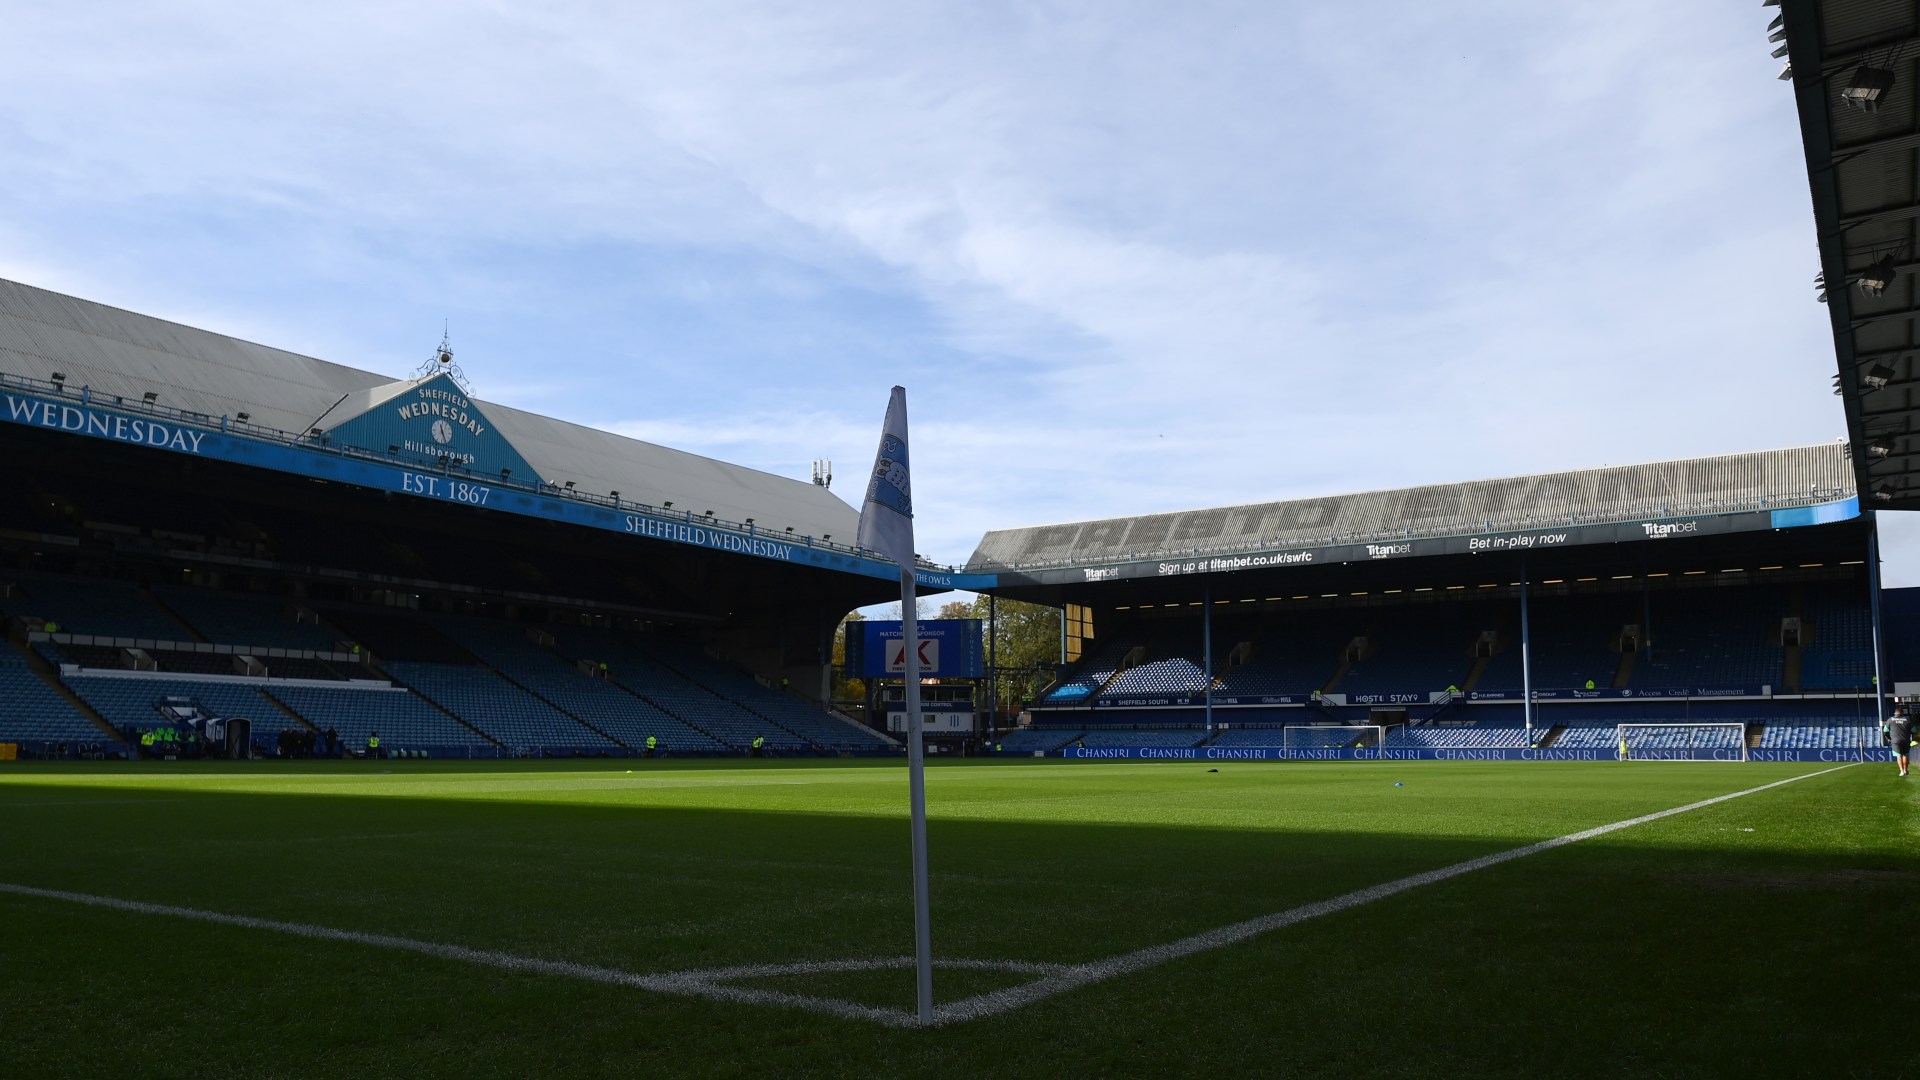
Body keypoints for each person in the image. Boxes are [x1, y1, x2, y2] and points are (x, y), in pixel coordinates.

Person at [1882, 705, 1913, 778]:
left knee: (1899, 756)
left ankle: (1901, 771)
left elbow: (1885, 731)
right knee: (1905, 755)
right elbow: (1914, 729)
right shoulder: (1907, 719)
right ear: (1902, 713)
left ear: (1895, 713)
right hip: (1906, 740)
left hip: (1895, 741)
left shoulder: (1890, 720)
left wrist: (1889, 738)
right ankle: (1906, 770)